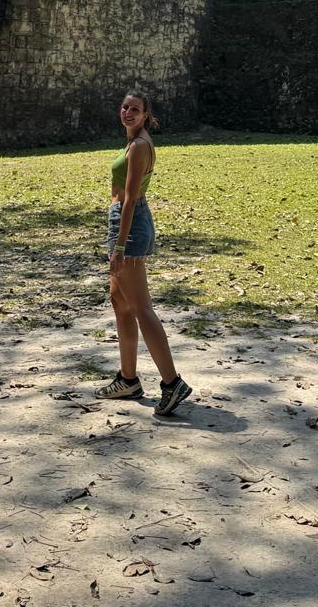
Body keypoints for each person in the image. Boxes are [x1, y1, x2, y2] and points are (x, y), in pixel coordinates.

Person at [95, 90, 192, 417]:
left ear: (145, 114)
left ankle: (172, 383)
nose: (128, 112)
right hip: (125, 222)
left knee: (141, 307)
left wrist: (120, 246)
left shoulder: (139, 146)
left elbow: (130, 198)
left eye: (135, 109)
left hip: (130, 225)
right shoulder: (135, 142)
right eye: (124, 107)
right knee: (119, 301)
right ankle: (128, 379)